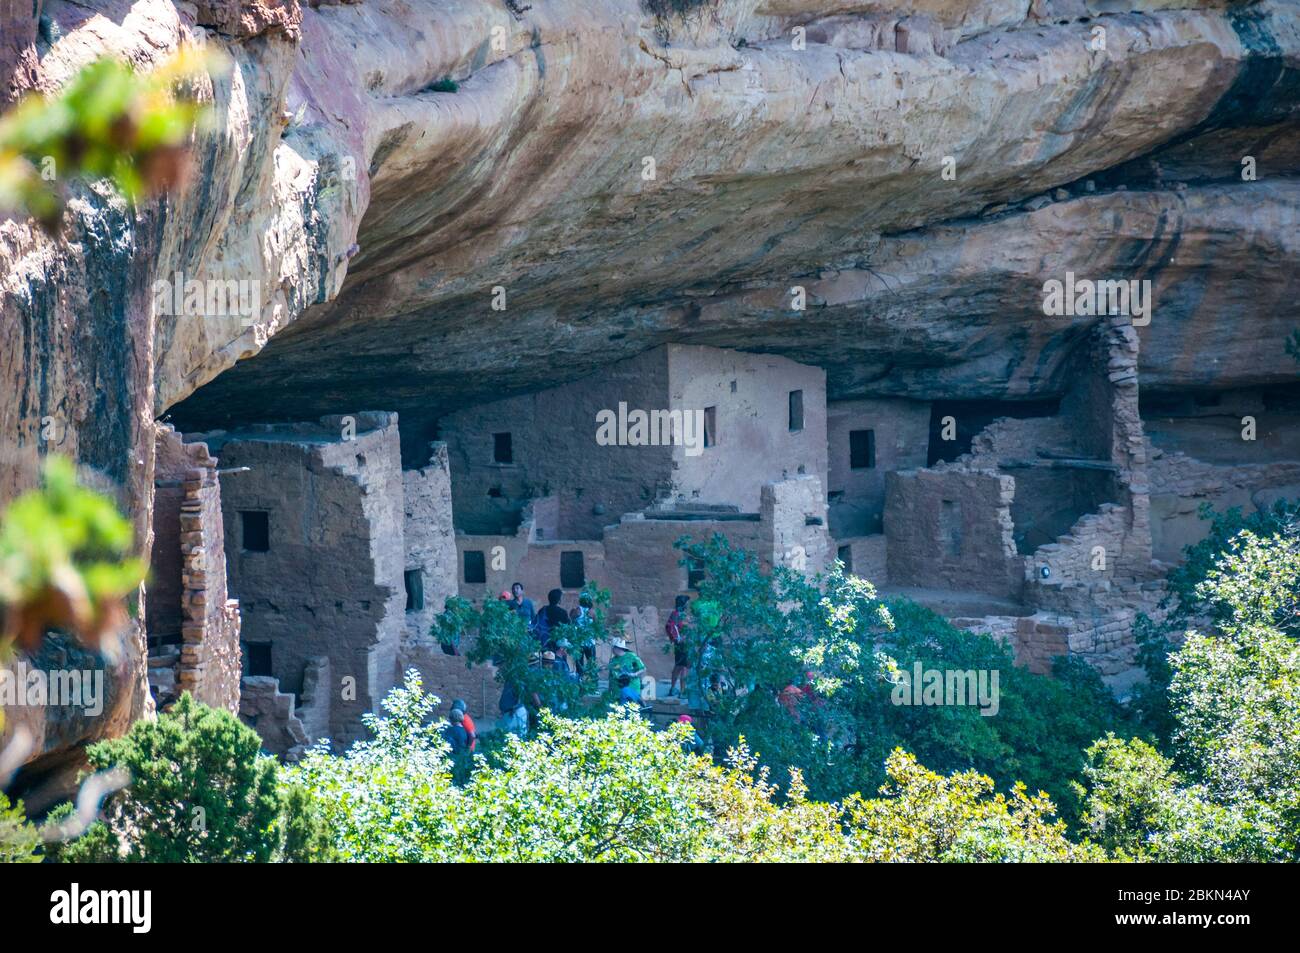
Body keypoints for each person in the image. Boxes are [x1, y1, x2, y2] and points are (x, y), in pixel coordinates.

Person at [665, 594, 691, 697]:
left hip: (682, 644)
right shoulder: (677, 614)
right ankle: (680, 690)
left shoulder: (678, 614)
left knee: (680, 666)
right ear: (683, 603)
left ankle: (676, 689)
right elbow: (671, 627)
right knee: (682, 667)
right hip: (682, 644)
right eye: (687, 603)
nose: (688, 605)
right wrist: (678, 638)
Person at [608, 637, 647, 703]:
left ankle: (637, 699)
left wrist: (634, 674)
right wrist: (609, 689)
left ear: (618, 648)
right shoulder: (613, 660)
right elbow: (611, 676)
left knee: (628, 708)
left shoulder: (631, 656)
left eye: (613, 648)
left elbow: (643, 668)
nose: (612, 650)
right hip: (616, 689)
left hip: (631, 686)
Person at [571, 594, 597, 677]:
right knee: (591, 665)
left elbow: (570, 621)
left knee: (579, 666)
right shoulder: (592, 612)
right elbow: (596, 626)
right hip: (590, 642)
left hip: (578, 642)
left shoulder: (576, 610)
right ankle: (593, 685)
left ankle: (580, 684)